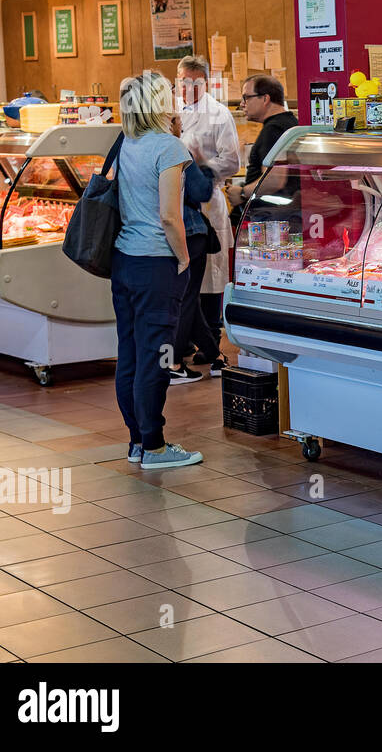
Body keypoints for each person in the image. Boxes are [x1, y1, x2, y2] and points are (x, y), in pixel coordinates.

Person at [109, 72, 204, 470]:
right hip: (156, 265)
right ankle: (156, 446)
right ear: (158, 104)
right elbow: (170, 216)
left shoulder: (123, 144)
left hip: (124, 262)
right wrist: (182, 257)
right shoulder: (168, 147)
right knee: (160, 355)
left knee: (129, 354)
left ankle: (136, 440)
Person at [176, 56, 240, 375]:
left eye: (194, 83)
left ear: (204, 83)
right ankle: (185, 340)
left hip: (207, 198)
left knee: (210, 276)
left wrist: (199, 168)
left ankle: (211, 337)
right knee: (186, 279)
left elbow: (232, 160)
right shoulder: (171, 111)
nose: (187, 89)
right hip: (176, 200)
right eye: (182, 82)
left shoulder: (218, 114)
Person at [165, 108, 221, 385]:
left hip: (162, 235)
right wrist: (204, 164)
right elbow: (201, 191)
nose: (181, 125)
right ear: (171, 123)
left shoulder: (137, 146)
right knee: (186, 299)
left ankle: (213, 354)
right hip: (189, 231)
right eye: (178, 120)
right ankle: (173, 363)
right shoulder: (177, 149)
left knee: (186, 297)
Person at [226, 74, 297, 224]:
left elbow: (275, 179)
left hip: (271, 218)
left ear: (265, 99)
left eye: (246, 97)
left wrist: (243, 193)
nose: (242, 103)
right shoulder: (289, 123)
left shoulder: (274, 129)